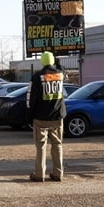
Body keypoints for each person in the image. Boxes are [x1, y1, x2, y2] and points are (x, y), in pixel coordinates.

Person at [26, 51, 67, 182]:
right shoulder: (60, 75)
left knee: (41, 146)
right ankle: (58, 173)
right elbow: (63, 70)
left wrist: (29, 115)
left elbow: (30, 98)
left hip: (40, 117)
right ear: (53, 61)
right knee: (57, 145)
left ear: (42, 62)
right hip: (57, 117)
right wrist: (58, 63)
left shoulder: (37, 77)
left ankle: (39, 174)